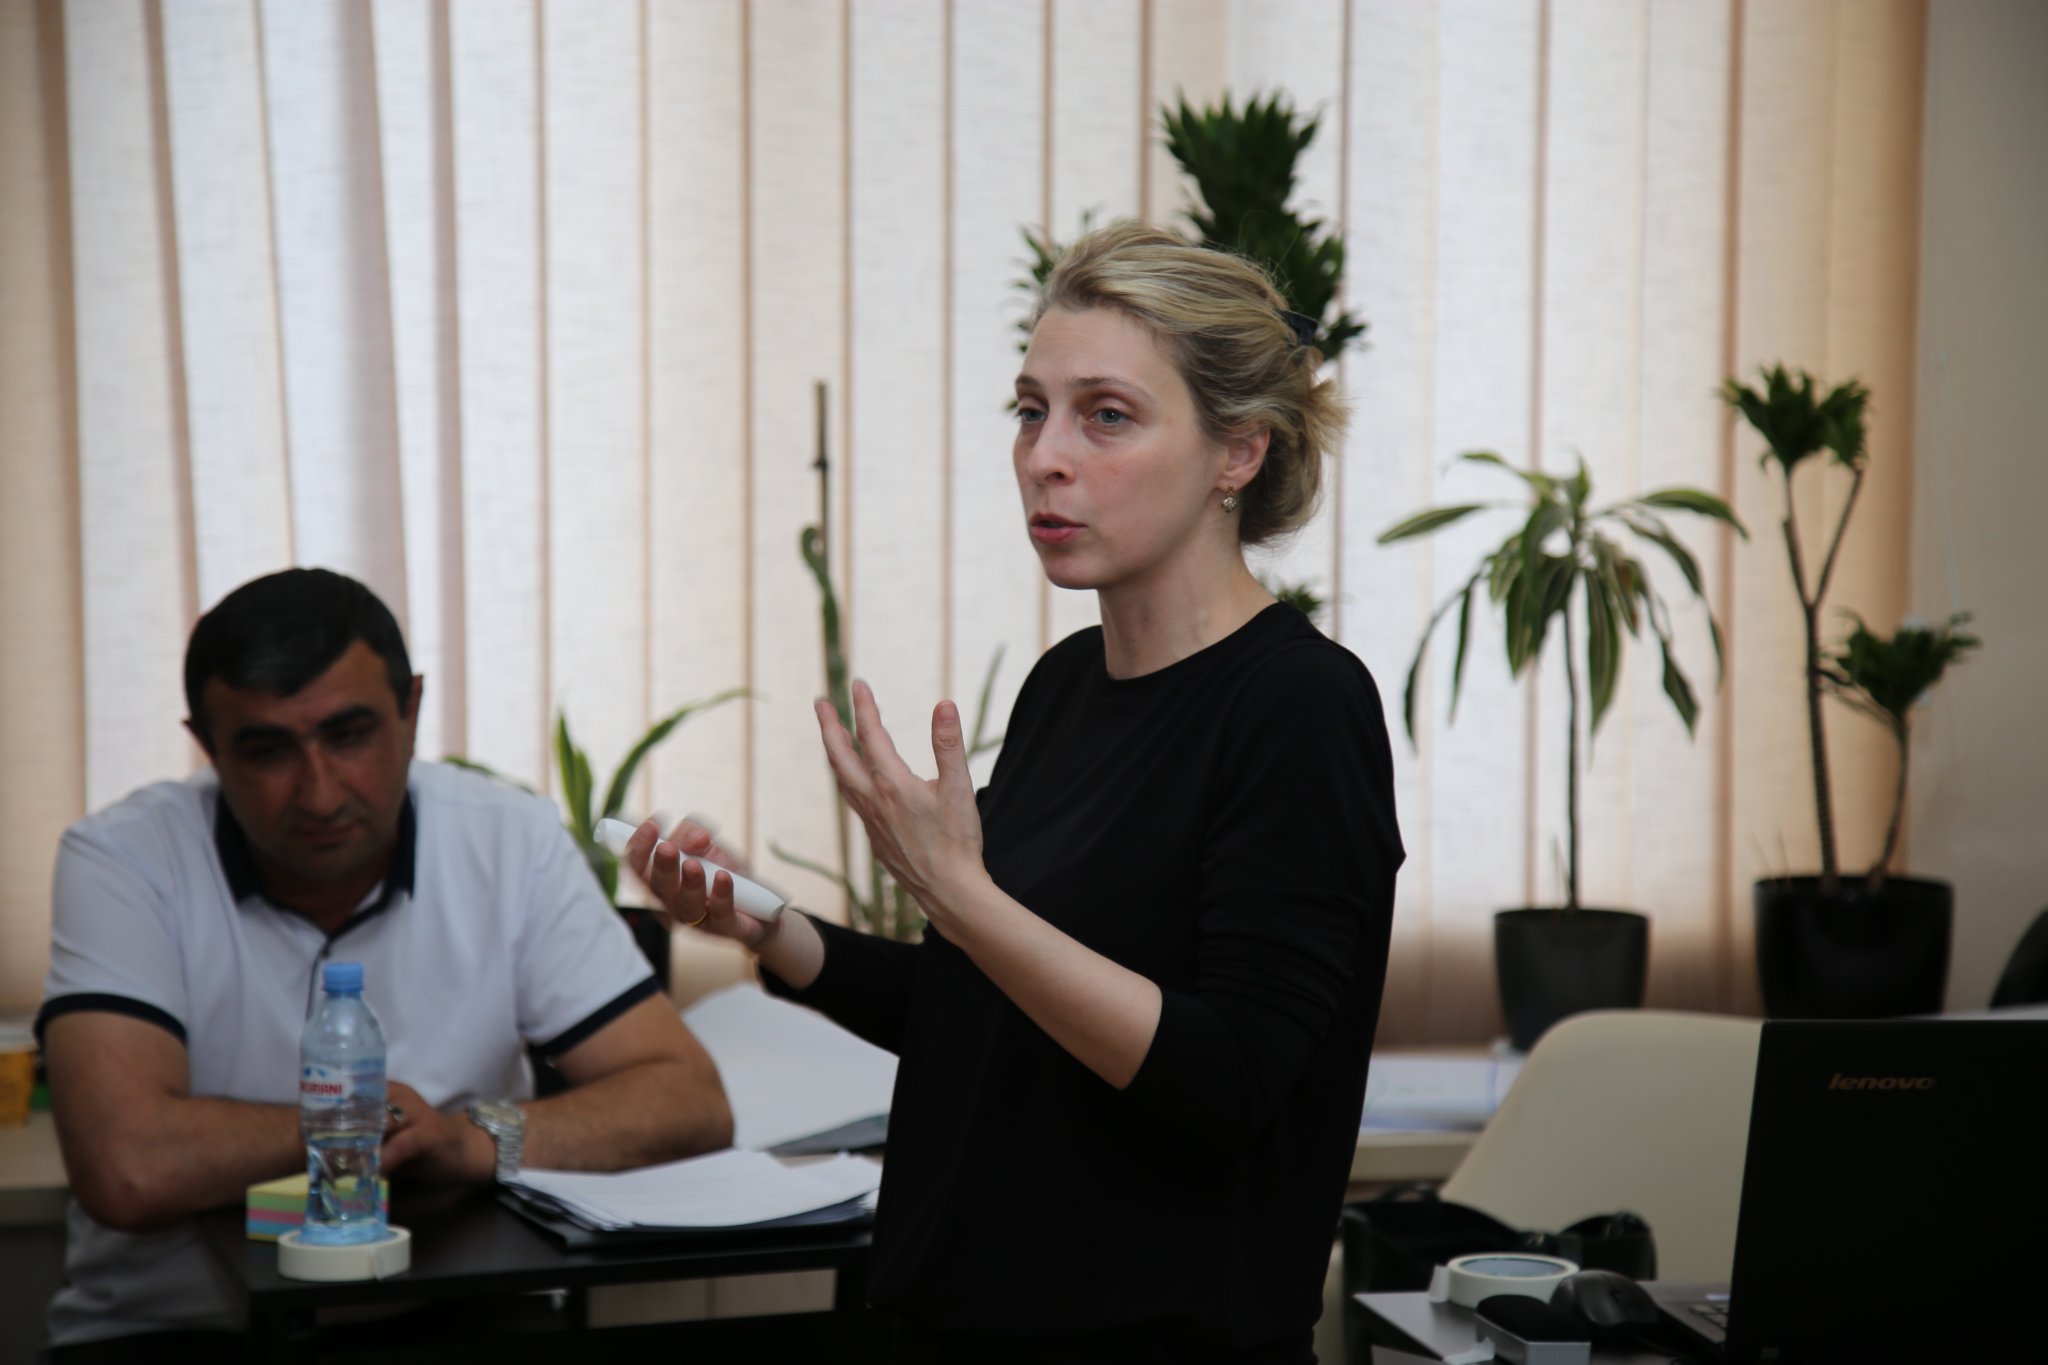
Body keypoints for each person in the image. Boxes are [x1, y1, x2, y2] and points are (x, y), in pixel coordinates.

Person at [629, 223, 1404, 1363]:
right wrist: (772, 927)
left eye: (1107, 415)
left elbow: (1232, 1077)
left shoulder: (1300, 706)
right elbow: (985, 1006)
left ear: (1237, 453)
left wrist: (958, 891)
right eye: (1030, 410)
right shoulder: (1065, 688)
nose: (1046, 455)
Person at [35, 568, 733, 1358]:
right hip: (173, 1326)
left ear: (411, 710)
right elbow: (127, 1165)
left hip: (454, 1309)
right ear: (208, 746)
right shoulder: (124, 858)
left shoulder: (509, 840)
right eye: (267, 750)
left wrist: (469, 1139)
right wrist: (374, 1121)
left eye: (349, 734)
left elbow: (689, 1100)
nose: (320, 793)